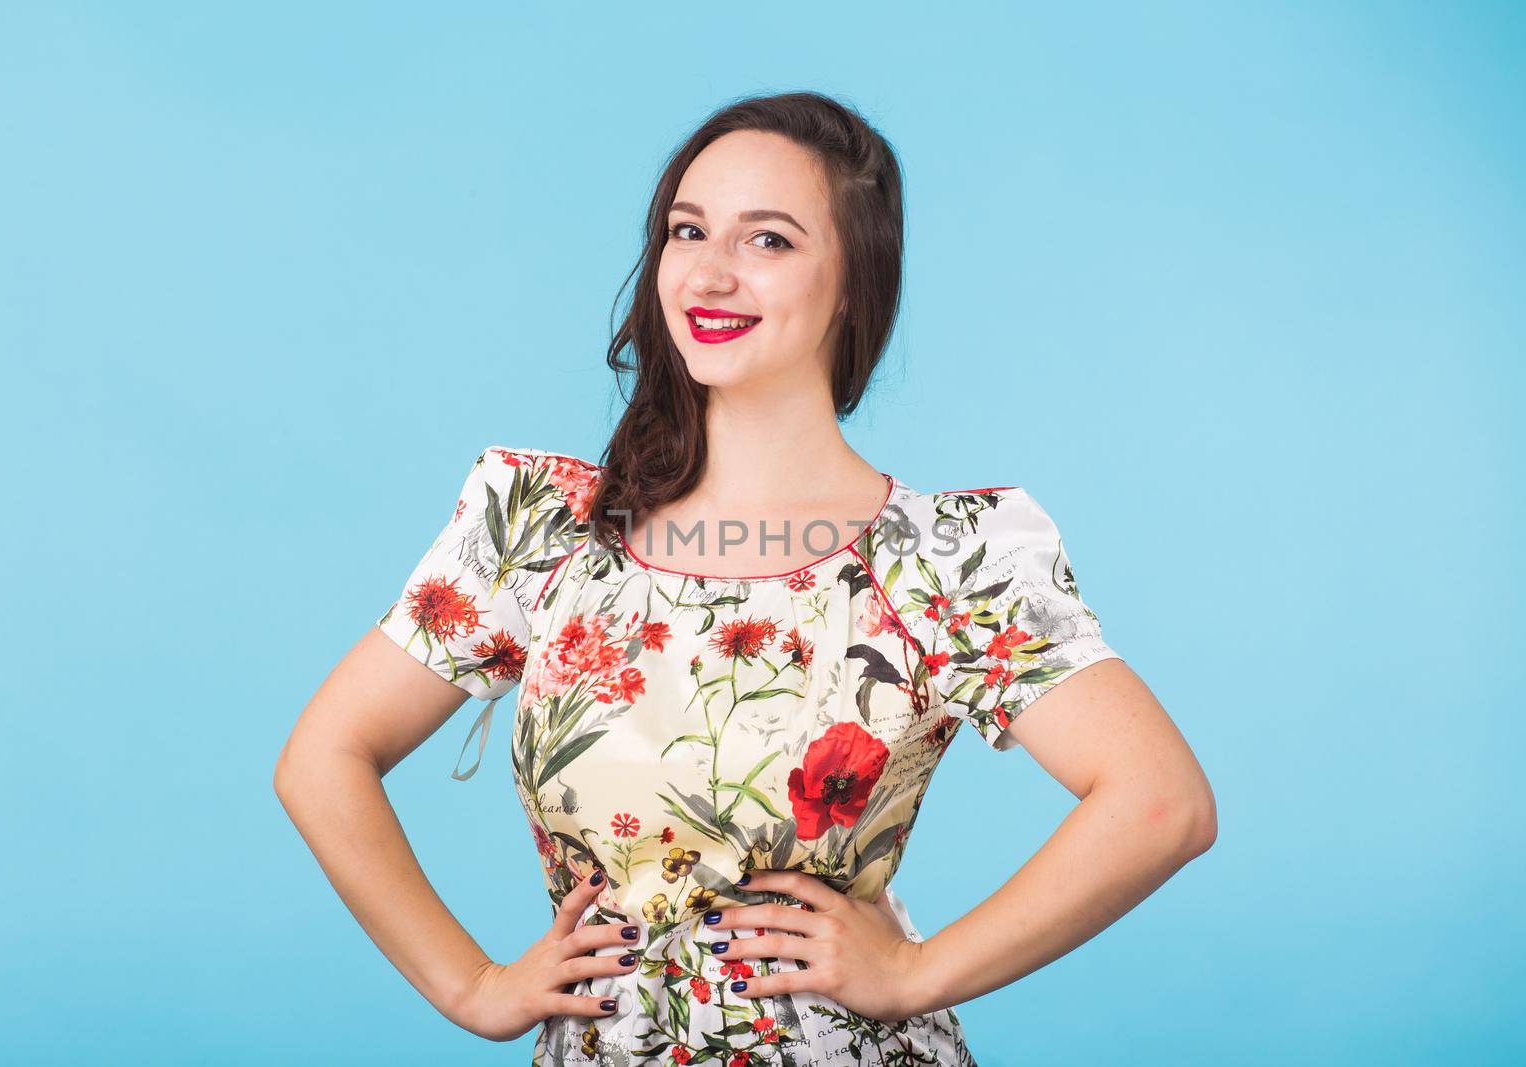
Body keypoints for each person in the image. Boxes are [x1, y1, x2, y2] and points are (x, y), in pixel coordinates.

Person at [274, 90, 1216, 1066]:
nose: (711, 272)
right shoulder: (545, 527)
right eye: (689, 230)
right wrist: (470, 984)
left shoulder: (943, 556)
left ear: (854, 282)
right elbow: (322, 756)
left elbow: (1160, 800)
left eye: (769, 241)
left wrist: (915, 971)